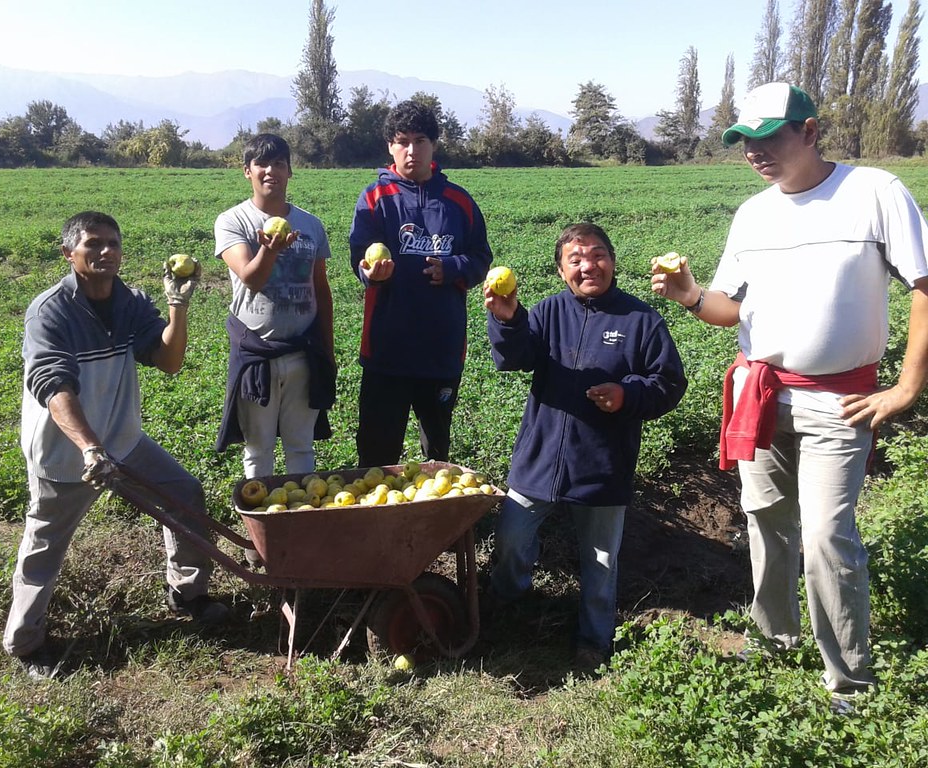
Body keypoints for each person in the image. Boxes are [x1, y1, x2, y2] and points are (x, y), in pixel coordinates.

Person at [650, 82, 928, 711]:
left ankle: (849, 682)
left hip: (839, 401)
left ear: (809, 130)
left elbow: (925, 284)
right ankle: (774, 639)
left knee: (829, 533)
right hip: (762, 395)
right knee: (766, 523)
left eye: (768, 137)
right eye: (744, 142)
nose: (754, 152)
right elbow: (731, 310)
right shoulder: (754, 214)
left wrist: (907, 386)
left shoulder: (873, 193)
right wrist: (691, 293)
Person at [5, 211, 229, 679]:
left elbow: (167, 361)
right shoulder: (50, 312)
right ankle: (26, 643)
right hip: (68, 454)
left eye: (113, 243)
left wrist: (177, 307)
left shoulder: (129, 302)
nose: (106, 251)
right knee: (46, 542)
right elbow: (54, 387)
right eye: (93, 244)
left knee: (184, 495)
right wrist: (90, 447)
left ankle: (187, 593)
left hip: (123, 441)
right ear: (69, 254)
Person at [487, 222, 687, 670]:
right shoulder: (546, 312)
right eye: (575, 259)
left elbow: (669, 382)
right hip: (539, 457)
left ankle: (593, 641)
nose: (587, 265)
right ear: (561, 271)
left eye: (596, 255)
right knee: (512, 538)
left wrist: (626, 395)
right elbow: (514, 359)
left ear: (613, 262)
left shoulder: (641, 321)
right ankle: (509, 604)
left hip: (602, 463)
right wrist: (507, 320)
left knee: (600, 561)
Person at [348, 99, 492, 467]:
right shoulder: (375, 198)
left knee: (437, 453)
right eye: (403, 141)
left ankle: (432, 521)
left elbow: (481, 258)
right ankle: (378, 523)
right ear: (390, 147)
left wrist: (454, 268)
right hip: (386, 352)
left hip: (439, 353)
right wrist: (370, 272)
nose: (412, 150)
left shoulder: (459, 201)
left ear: (434, 146)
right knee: (376, 456)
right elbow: (358, 259)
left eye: (421, 140)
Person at [213, 133, 335, 478]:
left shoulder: (311, 225)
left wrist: (328, 349)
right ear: (247, 171)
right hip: (257, 352)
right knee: (258, 448)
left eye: (279, 163)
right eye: (261, 164)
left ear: (290, 172)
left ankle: (298, 521)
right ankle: (262, 526)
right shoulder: (233, 221)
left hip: (303, 352)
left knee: (301, 445)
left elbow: (321, 290)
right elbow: (251, 278)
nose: (271, 171)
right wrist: (269, 249)